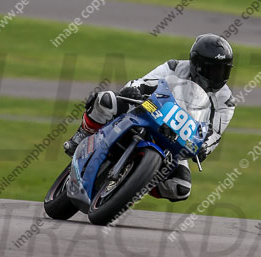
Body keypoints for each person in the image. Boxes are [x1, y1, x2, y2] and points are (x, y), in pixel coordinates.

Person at [63, 34, 235, 202]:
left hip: (177, 141)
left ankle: (135, 182)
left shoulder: (226, 101)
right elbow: (145, 81)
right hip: (147, 111)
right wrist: (134, 90)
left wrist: (204, 147)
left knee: (180, 187)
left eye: (223, 70)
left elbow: (214, 134)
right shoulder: (175, 67)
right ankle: (82, 135)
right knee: (106, 100)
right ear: (196, 65)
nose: (217, 76)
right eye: (212, 69)